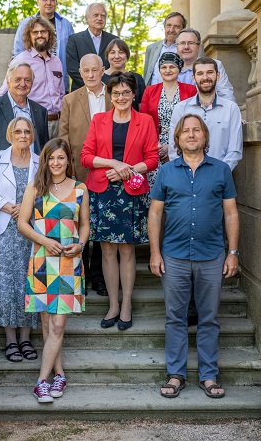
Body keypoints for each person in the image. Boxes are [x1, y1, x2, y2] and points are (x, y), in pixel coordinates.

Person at [148, 114, 239, 399]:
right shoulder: (166, 171)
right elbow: (155, 213)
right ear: (177, 139)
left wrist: (232, 253)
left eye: (196, 130)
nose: (191, 134)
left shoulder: (221, 170)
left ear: (204, 136)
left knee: (209, 318)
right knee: (175, 318)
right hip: (173, 256)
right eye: (185, 131)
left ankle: (209, 376)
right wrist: (154, 252)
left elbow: (231, 213)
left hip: (212, 255)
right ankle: (176, 375)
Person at [80, 72, 159, 331]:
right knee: (106, 250)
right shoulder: (99, 120)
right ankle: (113, 304)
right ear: (110, 96)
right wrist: (113, 163)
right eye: (116, 93)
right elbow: (86, 156)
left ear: (133, 94)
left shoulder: (145, 121)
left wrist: (127, 169)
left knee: (126, 250)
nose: (121, 97)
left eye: (126, 92)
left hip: (130, 193)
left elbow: (152, 159)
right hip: (102, 191)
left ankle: (126, 305)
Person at [18, 138, 89, 403]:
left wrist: (80, 245)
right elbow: (23, 224)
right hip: (41, 261)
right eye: (52, 158)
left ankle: (40, 383)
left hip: (70, 263)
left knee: (58, 324)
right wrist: (45, 240)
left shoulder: (80, 189)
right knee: (47, 324)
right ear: (45, 161)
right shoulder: (34, 189)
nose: (56, 163)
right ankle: (58, 375)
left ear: (68, 160)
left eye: (61, 158)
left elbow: (84, 225)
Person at [0, 117, 39, 362]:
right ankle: (11, 341)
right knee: (5, 283)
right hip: (4, 229)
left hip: (32, 228)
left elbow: (46, 190)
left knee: (29, 280)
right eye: (18, 131)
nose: (23, 135)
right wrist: (8, 207)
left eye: (27, 131)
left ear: (32, 135)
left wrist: (27, 208)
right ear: (10, 134)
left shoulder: (40, 161)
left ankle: (26, 339)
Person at [59, 54, 112, 296]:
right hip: (79, 171)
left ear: (103, 70)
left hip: (109, 172)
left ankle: (98, 276)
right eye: (86, 71)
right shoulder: (70, 100)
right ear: (80, 73)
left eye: (95, 70)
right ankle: (79, 272)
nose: (91, 75)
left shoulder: (116, 95)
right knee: (79, 223)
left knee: (101, 225)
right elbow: (64, 138)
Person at [168, 57, 243, 170]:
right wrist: (185, 174)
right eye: (200, 73)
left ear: (218, 76)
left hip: (219, 177)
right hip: (186, 178)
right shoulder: (181, 109)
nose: (205, 78)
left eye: (210, 72)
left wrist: (218, 174)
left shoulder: (231, 109)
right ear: (193, 78)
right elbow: (174, 148)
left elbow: (235, 150)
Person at [0, 16, 65, 139]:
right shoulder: (21, 60)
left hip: (58, 124)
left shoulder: (57, 61)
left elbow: (61, 93)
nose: (40, 35)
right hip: (33, 123)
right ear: (29, 36)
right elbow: (4, 92)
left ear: (49, 35)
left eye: (43, 31)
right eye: (35, 32)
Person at [140, 52, 197, 188]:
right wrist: (157, 145)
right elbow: (144, 121)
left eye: (172, 67)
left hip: (182, 143)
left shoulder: (191, 90)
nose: (168, 70)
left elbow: (195, 119)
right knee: (156, 185)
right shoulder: (150, 91)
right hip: (155, 145)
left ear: (179, 69)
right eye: (164, 67)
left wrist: (172, 146)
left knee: (179, 183)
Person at [13, 0, 74, 94]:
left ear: (56, 2)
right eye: (45, 0)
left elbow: (72, 54)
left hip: (59, 85)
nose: (49, 3)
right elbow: (18, 52)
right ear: (38, 2)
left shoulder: (66, 25)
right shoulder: (25, 24)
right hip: (34, 86)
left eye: (52, 0)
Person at [66, 3, 117, 91]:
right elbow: (72, 68)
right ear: (86, 19)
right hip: (81, 91)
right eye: (95, 15)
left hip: (107, 91)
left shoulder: (113, 40)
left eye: (103, 16)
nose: (99, 18)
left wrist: (103, 86)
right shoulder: (75, 39)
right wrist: (92, 85)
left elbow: (116, 66)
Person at [175, 28, 236, 102]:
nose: (186, 47)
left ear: (199, 47)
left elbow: (226, 95)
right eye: (182, 43)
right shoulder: (167, 70)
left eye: (191, 43)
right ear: (176, 47)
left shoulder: (214, 65)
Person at [143, 12, 187, 86]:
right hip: (153, 95)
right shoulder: (151, 48)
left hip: (181, 95)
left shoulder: (190, 48)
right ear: (164, 27)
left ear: (183, 29)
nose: (171, 30)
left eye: (176, 26)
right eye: (169, 25)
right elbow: (146, 76)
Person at [102, 38, 145, 109]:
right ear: (107, 55)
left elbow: (142, 106)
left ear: (127, 55)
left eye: (121, 52)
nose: (117, 56)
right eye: (112, 52)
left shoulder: (137, 78)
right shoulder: (100, 77)